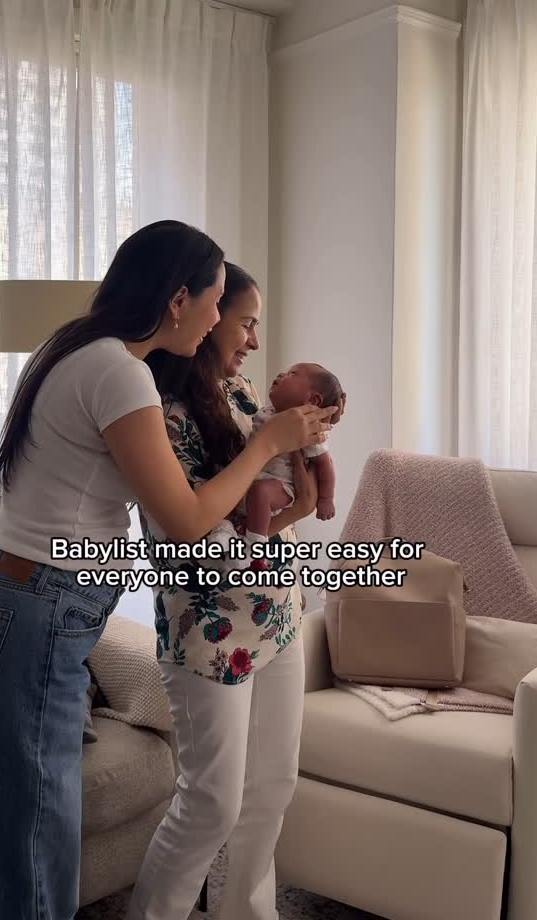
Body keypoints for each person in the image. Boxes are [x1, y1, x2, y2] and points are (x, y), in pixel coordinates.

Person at [0, 222, 330, 920]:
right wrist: (269, 442)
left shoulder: (86, 351)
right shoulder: (119, 373)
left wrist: (289, 482)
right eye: (217, 303)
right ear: (179, 300)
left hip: (32, 601)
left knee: (24, 847)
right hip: (36, 604)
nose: (221, 321)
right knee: (29, 855)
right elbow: (185, 522)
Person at [127, 263, 340, 920]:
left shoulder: (245, 393)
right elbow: (194, 544)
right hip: (207, 634)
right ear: (206, 314)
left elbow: (280, 513)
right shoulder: (158, 417)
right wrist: (275, 461)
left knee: (272, 787)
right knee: (210, 806)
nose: (254, 340)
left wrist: (303, 490)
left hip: (278, 617)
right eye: (245, 322)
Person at [245, 363, 346, 538]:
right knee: (253, 495)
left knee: (260, 492)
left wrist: (326, 499)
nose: (280, 374)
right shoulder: (266, 412)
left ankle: (254, 543)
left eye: (292, 374)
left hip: (281, 486)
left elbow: (325, 464)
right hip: (247, 480)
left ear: (312, 401)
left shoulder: (308, 429)